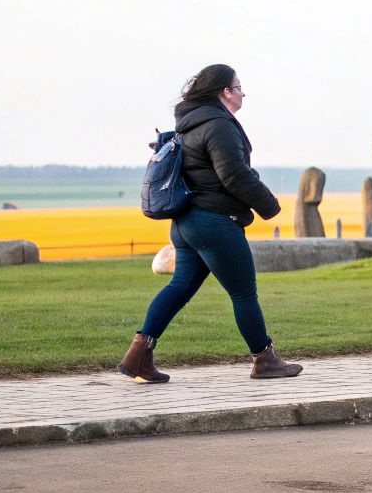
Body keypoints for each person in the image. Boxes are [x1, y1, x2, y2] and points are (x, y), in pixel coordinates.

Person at [119, 64, 303, 383]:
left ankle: (138, 356)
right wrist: (269, 205)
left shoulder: (190, 124)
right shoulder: (218, 125)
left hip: (187, 223)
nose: (243, 92)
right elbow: (233, 174)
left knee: (179, 288)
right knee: (244, 292)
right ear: (225, 92)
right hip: (214, 221)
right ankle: (265, 360)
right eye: (239, 86)